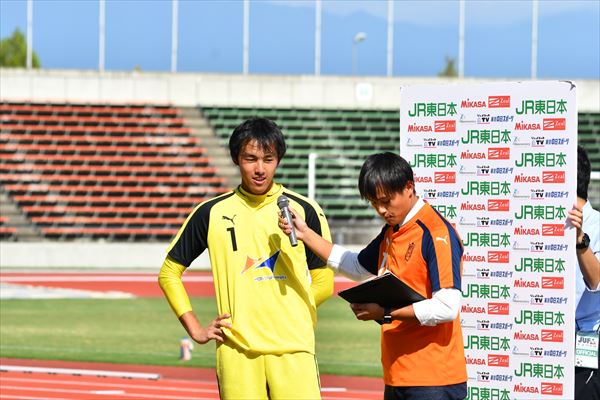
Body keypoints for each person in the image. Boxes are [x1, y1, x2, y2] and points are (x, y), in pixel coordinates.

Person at [158, 117, 333, 399]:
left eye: (268, 159)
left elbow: (324, 281)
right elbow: (168, 273)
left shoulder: (304, 209)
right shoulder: (210, 212)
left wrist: (293, 314)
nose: (260, 168)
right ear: (237, 159)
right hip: (236, 352)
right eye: (250, 158)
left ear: (279, 160)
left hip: (294, 349)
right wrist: (196, 330)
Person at [280, 152, 467, 400]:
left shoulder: (435, 232)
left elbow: (447, 307)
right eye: (374, 203)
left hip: (434, 378)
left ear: (409, 187)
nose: (381, 210)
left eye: (386, 201)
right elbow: (357, 267)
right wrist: (305, 234)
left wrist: (386, 312)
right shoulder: (392, 230)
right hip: (398, 373)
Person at [568, 145, 600, 399]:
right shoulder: (544, 222)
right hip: (544, 343)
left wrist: (580, 240)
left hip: (584, 347)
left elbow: (596, 280)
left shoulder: (598, 225)